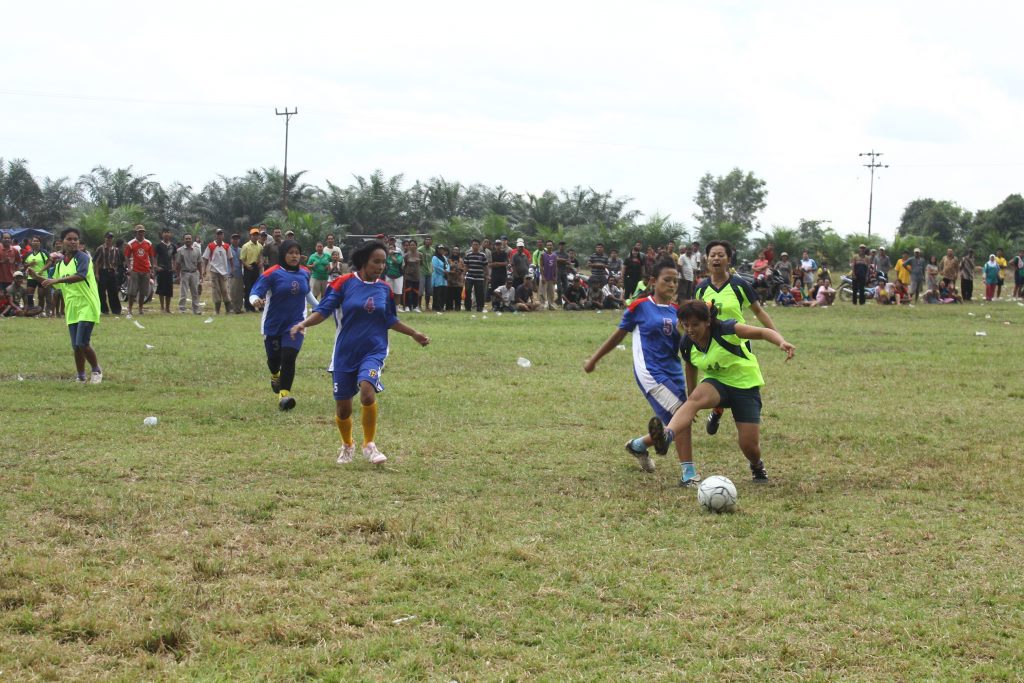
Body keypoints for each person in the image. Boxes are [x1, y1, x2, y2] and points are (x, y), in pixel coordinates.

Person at [290, 240, 430, 465]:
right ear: (364, 261)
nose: (381, 267)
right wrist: (303, 324)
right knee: (343, 410)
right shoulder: (343, 283)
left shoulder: (384, 289)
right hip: (345, 353)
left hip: (374, 350)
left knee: (367, 392)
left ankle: (369, 445)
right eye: (376, 262)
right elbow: (323, 310)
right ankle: (347, 445)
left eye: (383, 262)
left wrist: (414, 333)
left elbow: (389, 319)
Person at [646, 300, 794, 485]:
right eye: (685, 325)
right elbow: (690, 367)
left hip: (745, 385)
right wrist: (691, 396)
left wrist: (781, 341)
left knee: (749, 446)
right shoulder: (687, 343)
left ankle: (756, 465)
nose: (690, 329)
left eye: (695, 324)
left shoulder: (727, 329)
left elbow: (763, 332)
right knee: (695, 399)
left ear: (708, 322)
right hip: (717, 383)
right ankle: (667, 435)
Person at [584, 259, 687, 476]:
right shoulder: (640, 306)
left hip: (674, 372)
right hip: (650, 371)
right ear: (653, 281)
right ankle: (689, 474)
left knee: (676, 421)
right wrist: (594, 359)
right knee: (682, 413)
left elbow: (687, 344)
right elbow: (617, 336)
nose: (672, 285)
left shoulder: (678, 311)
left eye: (675, 281)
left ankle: (639, 446)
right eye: (667, 280)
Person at [694, 240, 781, 437]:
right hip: (713, 345)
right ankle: (717, 409)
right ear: (706, 259)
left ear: (729, 260)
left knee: (744, 382)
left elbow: (759, 312)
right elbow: (694, 317)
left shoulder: (739, 285)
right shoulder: (701, 289)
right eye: (712, 255)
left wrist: (776, 335)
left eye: (721, 255)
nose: (716, 258)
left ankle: (746, 416)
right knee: (717, 378)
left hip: (738, 342)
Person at [249, 240, 318, 411]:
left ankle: (284, 396)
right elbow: (255, 291)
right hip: (273, 324)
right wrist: (255, 300)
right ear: (283, 254)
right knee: (274, 360)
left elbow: (307, 293)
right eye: (291, 252)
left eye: (297, 253)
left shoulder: (305, 272)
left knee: (289, 357)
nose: (294, 256)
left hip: (296, 323)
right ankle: (275, 375)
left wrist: (321, 307)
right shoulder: (272, 273)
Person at [30, 228, 104, 384]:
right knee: (76, 346)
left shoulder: (83, 258)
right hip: (72, 307)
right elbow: (51, 283)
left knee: (82, 342)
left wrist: (57, 280)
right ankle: (81, 376)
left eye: (75, 239)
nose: (73, 242)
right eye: (69, 239)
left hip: (87, 304)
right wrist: (36, 276)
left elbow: (80, 275)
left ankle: (96, 370)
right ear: (62, 242)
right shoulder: (60, 265)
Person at [124, 224, 155, 317]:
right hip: (135, 270)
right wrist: (129, 268)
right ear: (135, 233)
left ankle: (140, 309)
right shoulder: (131, 243)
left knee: (143, 292)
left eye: (142, 232)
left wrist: (152, 268)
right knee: (132, 292)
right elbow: (126, 256)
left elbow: (151, 256)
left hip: (146, 270)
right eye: (139, 232)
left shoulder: (148, 243)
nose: (141, 233)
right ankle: (130, 309)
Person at [203, 228, 233, 315]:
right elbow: (205, 258)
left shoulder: (226, 246)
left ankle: (228, 309)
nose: (220, 236)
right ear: (216, 236)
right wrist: (204, 269)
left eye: (221, 234)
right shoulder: (211, 246)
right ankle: (217, 310)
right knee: (216, 290)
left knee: (225, 290)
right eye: (218, 234)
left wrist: (232, 268)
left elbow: (230, 258)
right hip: (214, 271)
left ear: (223, 236)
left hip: (224, 271)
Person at [92, 231, 122, 315]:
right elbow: (96, 262)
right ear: (105, 238)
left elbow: (117, 262)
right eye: (108, 238)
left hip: (112, 272)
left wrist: (116, 271)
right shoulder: (100, 248)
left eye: (111, 238)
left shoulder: (116, 250)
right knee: (101, 292)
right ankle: (104, 310)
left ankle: (116, 310)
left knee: (113, 292)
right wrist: (96, 273)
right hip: (103, 272)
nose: (109, 239)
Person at [23, 236, 52, 315]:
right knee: (29, 293)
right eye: (34, 241)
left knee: (41, 294)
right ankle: (31, 310)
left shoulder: (44, 252)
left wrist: (41, 270)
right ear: (31, 242)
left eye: (37, 241)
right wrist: (30, 264)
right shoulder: (29, 253)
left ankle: (40, 311)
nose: (35, 242)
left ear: (40, 243)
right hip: (31, 276)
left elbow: (50, 262)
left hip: (42, 276)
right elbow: (24, 265)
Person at [175, 233, 203, 314]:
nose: (188, 240)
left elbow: (199, 263)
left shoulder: (197, 250)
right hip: (184, 273)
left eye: (189, 238)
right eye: (186, 238)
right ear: (183, 240)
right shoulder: (180, 250)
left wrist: (201, 274)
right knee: (184, 292)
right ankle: (182, 309)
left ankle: (196, 310)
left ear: (192, 240)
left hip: (194, 273)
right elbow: (178, 264)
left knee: (195, 292)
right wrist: (178, 276)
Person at [240, 228, 263, 312]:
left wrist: (261, 262)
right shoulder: (245, 246)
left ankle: (258, 305)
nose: (255, 236)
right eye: (254, 235)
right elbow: (242, 259)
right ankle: (248, 307)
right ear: (250, 236)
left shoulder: (260, 246)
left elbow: (261, 256)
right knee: (248, 288)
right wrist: (247, 266)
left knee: (257, 287)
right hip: (248, 268)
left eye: (257, 235)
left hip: (256, 268)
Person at [464, 238, 489, 312]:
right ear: (471, 245)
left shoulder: (482, 255)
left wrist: (487, 275)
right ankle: (468, 308)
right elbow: (466, 266)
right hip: (470, 276)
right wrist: (464, 275)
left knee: (479, 293)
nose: (475, 246)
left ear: (479, 245)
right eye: (474, 244)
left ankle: (480, 308)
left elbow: (485, 266)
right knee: (467, 292)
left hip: (479, 277)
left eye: (477, 244)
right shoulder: (468, 255)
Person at [155, 228, 176, 313]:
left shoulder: (173, 246)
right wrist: (156, 266)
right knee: (161, 289)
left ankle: (168, 308)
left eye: (168, 232)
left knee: (169, 290)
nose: (166, 234)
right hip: (161, 269)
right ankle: (162, 307)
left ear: (170, 234)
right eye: (165, 232)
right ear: (162, 234)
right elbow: (155, 257)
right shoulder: (159, 245)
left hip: (169, 270)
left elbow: (174, 258)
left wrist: (174, 267)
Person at [402, 239, 421, 311]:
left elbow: (421, 264)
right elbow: (404, 266)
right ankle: (407, 306)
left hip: (417, 276)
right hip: (408, 276)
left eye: (414, 245)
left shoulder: (420, 254)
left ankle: (415, 306)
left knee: (416, 291)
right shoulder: (406, 255)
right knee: (408, 291)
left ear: (416, 246)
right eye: (411, 245)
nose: (412, 246)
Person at [539, 240, 559, 310]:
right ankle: (542, 305)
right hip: (545, 276)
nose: (549, 246)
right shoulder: (543, 254)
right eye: (548, 245)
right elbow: (541, 266)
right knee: (542, 292)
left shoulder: (554, 255)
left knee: (551, 292)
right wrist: (542, 276)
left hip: (551, 276)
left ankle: (551, 305)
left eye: (550, 245)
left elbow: (555, 267)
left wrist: (555, 276)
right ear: (546, 246)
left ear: (552, 246)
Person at [418, 235, 435, 311]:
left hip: (429, 272)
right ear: (424, 241)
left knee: (429, 291)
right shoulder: (420, 249)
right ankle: (419, 305)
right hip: (421, 272)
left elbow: (432, 260)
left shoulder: (433, 250)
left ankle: (427, 306)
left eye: (429, 240)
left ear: (431, 242)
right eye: (426, 240)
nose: (428, 241)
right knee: (420, 290)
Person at [431, 245, 449, 312]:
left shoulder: (444, 257)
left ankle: (441, 306)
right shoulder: (434, 257)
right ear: (437, 250)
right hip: (437, 277)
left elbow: (448, 265)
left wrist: (447, 270)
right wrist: (443, 271)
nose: (441, 250)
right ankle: (436, 307)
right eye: (440, 249)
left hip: (444, 278)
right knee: (437, 293)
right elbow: (436, 267)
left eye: (442, 249)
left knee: (443, 293)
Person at [446, 245, 464, 311]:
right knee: (449, 295)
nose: (455, 251)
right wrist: (452, 271)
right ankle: (449, 308)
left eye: (457, 250)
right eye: (454, 250)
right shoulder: (448, 260)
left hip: (459, 281)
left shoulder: (461, 260)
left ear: (459, 252)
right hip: (450, 280)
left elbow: (463, 268)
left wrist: (461, 270)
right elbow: (446, 268)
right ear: (452, 251)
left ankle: (457, 308)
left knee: (458, 295)